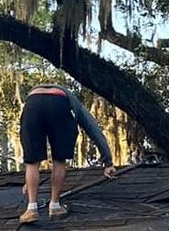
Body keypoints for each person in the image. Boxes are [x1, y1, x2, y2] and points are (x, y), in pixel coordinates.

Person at [17, 82, 118, 223]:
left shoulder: (32, 96)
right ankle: (55, 206)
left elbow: (27, 144)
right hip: (59, 104)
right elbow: (93, 130)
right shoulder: (70, 99)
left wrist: (29, 182)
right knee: (59, 159)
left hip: (32, 105)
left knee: (32, 162)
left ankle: (31, 209)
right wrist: (108, 163)